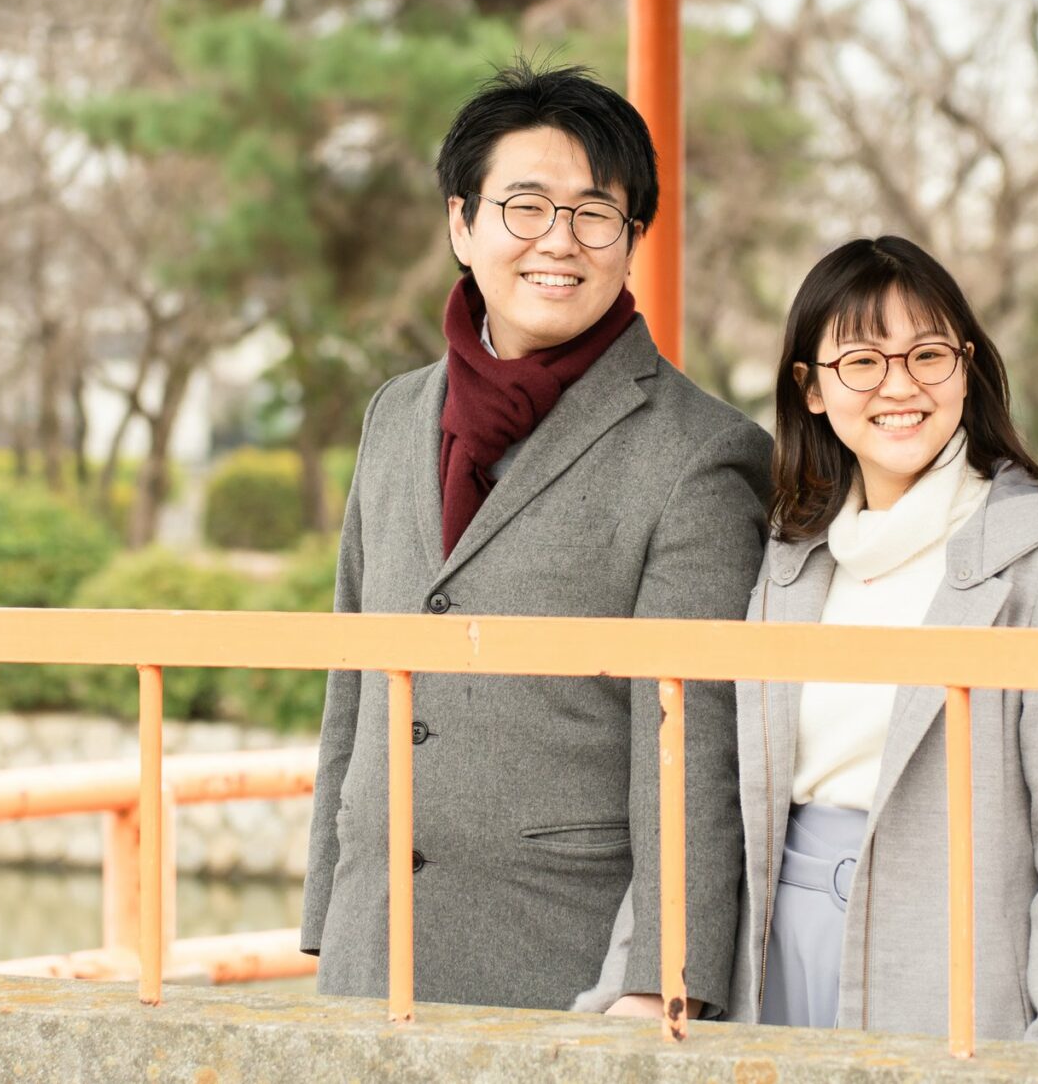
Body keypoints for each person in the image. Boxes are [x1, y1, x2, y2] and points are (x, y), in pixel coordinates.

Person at [299, 61, 769, 1014]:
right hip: (369, 943)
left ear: (632, 239)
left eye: (596, 213)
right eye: (525, 206)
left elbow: (693, 740)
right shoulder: (395, 414)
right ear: (461, 223)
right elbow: (353, 676)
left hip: (566, 963)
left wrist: (661, 980)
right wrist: (325, 910)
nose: (560, 241)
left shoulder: (702, 453)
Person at [592, 234, 1038, 1037]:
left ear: (967, 367)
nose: (900, 386)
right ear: (811, 389)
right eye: (862, 361)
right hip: (773, 940)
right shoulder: (792, 556)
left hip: (953, 945)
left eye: (928, 354)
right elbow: (717, 779)